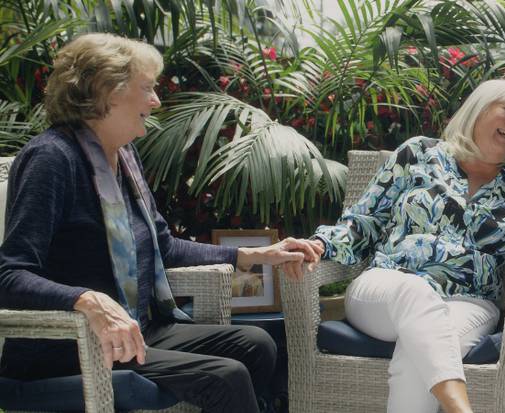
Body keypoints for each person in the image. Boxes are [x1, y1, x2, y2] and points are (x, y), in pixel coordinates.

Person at [0, 33, 321, 413]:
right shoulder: (52, 159)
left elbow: (164, 246)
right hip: (67, 347)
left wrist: (255, 254)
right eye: (147, 89)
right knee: (224, 376)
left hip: (137, 329)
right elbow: (11, 275)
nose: (155, 100)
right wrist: (87, 300)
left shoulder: (124, 157)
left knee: (257, 343)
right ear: (107, 92)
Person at [292, 79, 505, 413]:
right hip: (386, 288)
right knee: (415, 294)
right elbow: (364, 221)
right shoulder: (417, 153)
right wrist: (319, 244)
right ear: (478, 108)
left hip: (469, 303)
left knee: (419, 355)